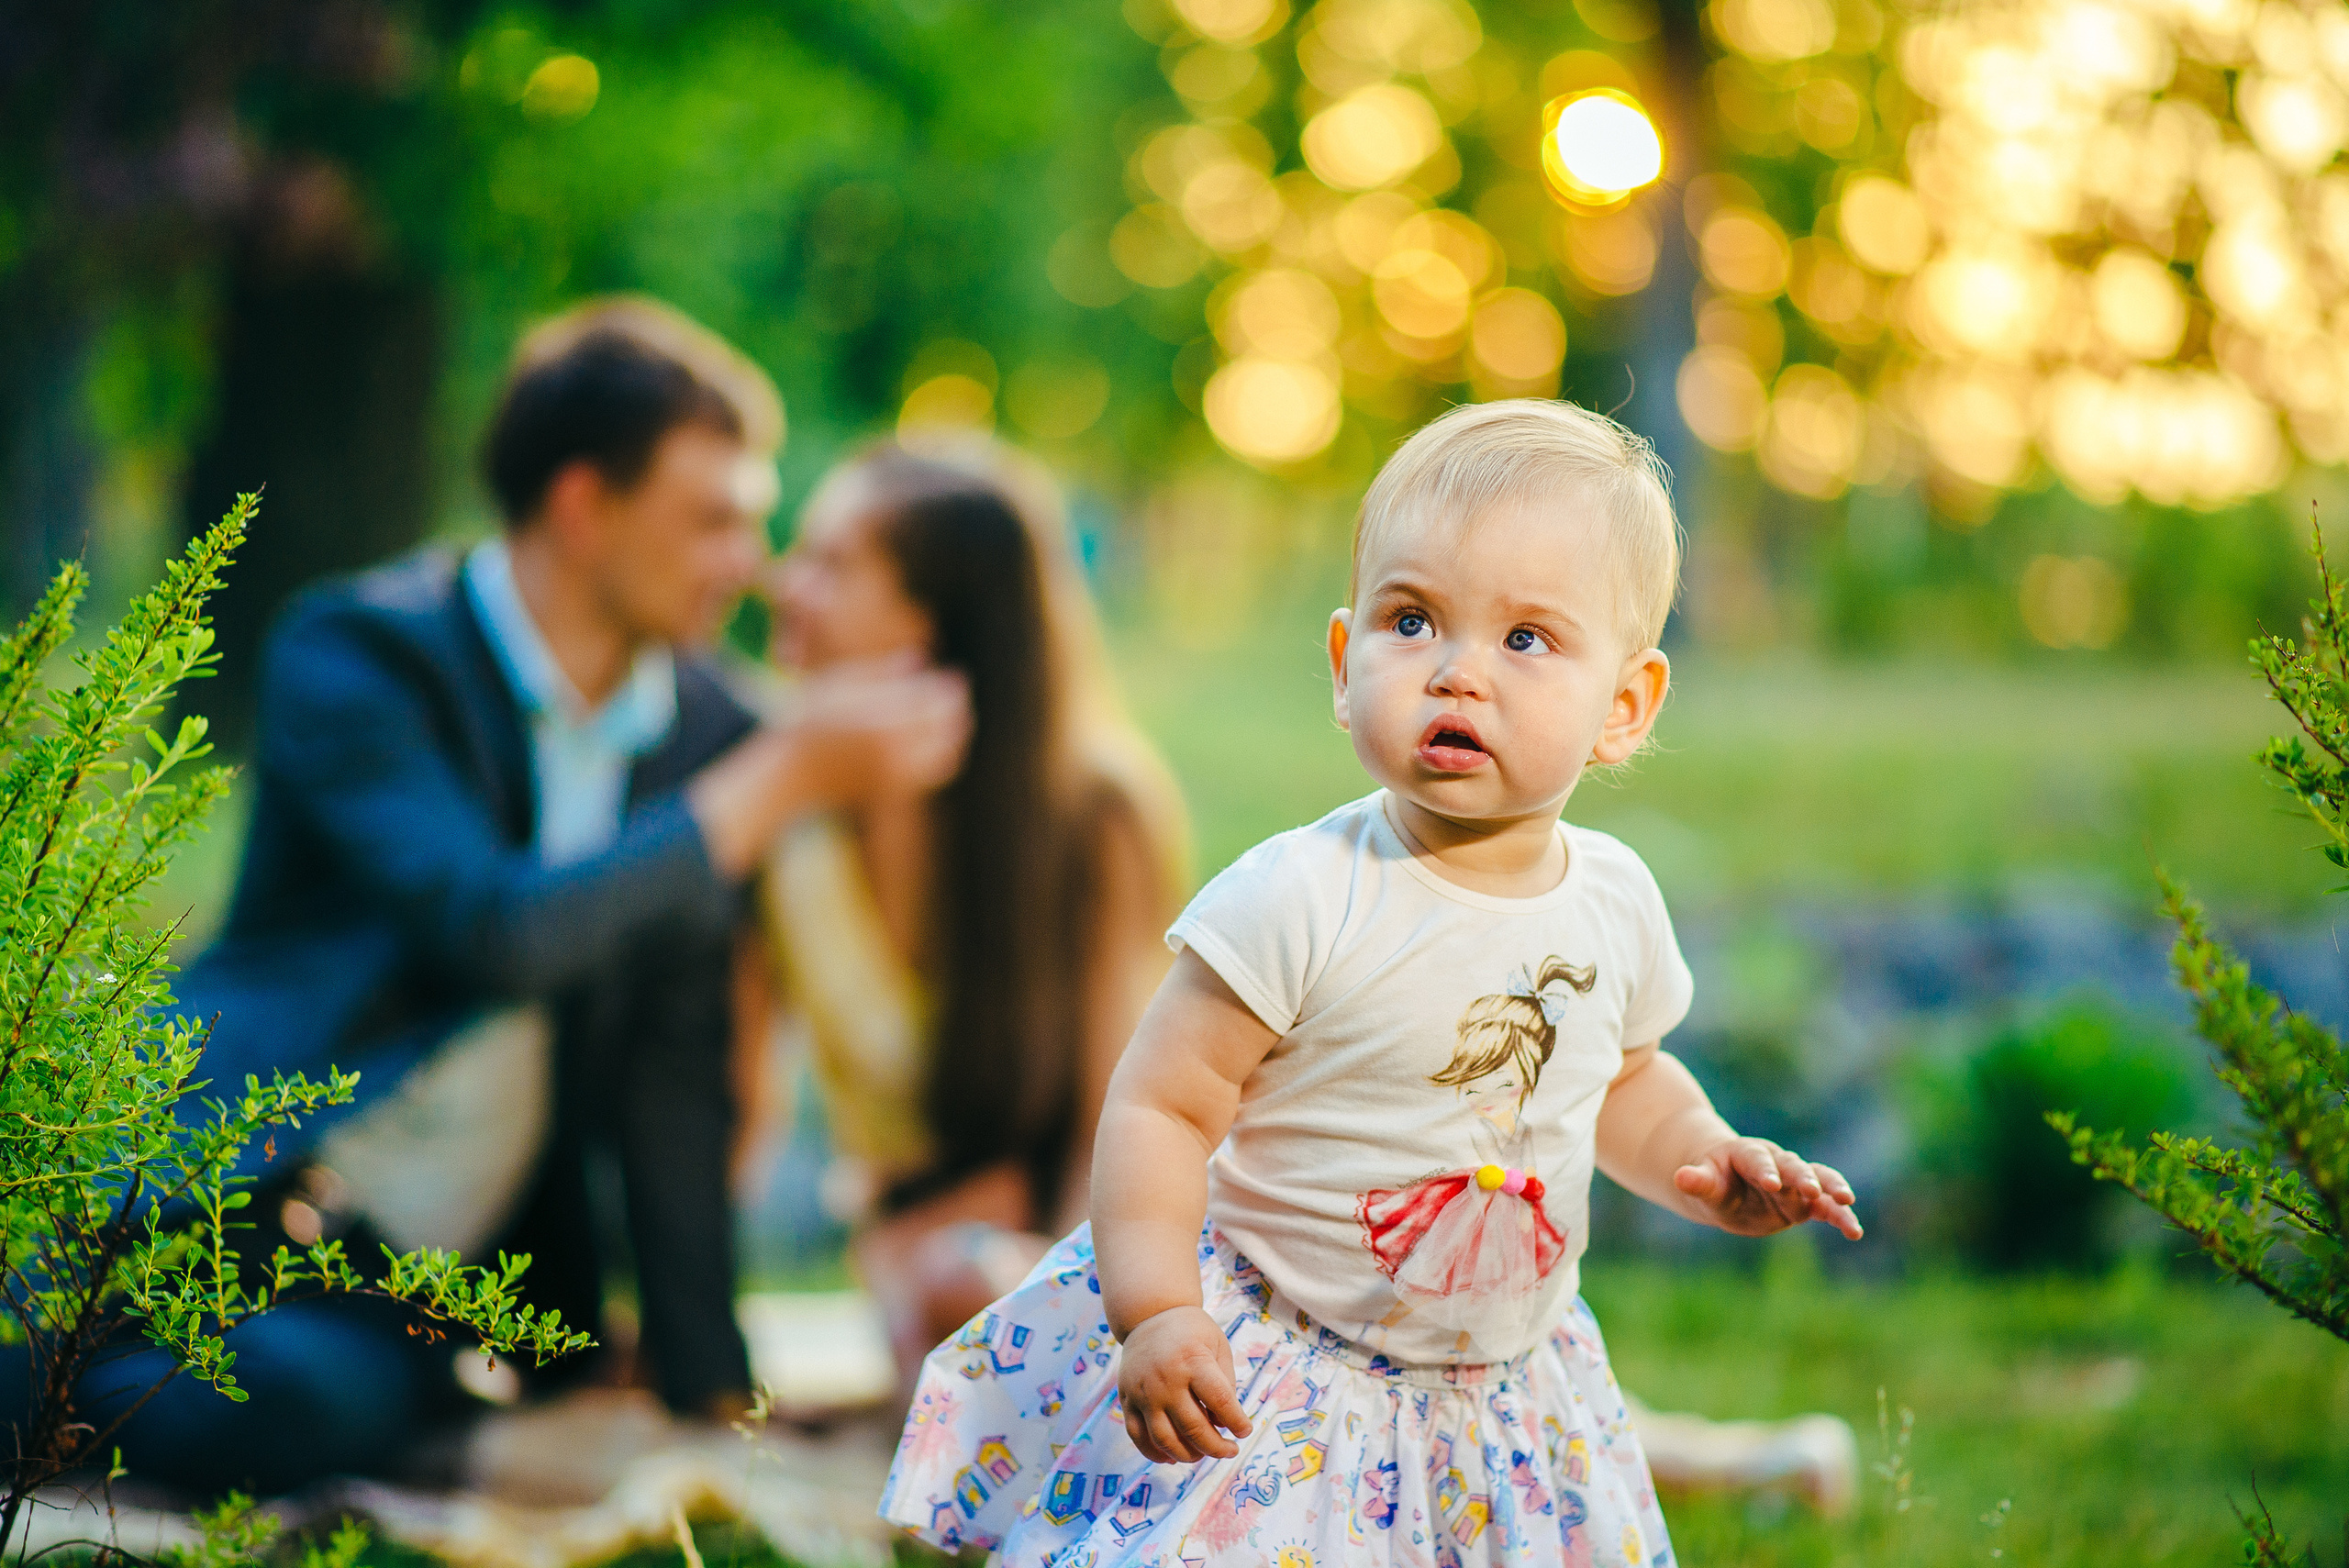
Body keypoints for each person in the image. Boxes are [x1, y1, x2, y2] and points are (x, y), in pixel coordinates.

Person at [878, 399, 1863, 1564]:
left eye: (1526, 639)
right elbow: (1162, 1106)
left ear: (1624, 706)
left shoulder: (1612, 898)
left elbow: (1622, 1077)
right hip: (1289, 1369)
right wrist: (1159, 1310)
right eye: (1412, 620)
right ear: (1346, 667)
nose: (1457, 672)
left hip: (1504, 1385)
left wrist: (1703, 1156)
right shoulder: (1299, 895)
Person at [35, 298, 970, 1496]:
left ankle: (419, 1409)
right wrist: (776, 781)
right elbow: (488, 928)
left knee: (311, 1394)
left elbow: (678, 1085)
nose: (749, 563)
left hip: (410, 1293)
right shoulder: (360, 653)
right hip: (210, 1193)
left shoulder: (709, 738)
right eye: (711, 520)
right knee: (104, 1358)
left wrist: (711, 1405)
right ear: (583, 506)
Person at [751, 439, 1186, 1382]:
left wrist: (1074, 1308)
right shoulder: (784, 812)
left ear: (927, 618)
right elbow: (743, 1099)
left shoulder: (1094, 814)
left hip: (1068, 1246)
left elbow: (1119, 1120)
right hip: (904, 1253)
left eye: (831, 564)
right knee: (943, 1295)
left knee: (969, 1289)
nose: (785, 585)